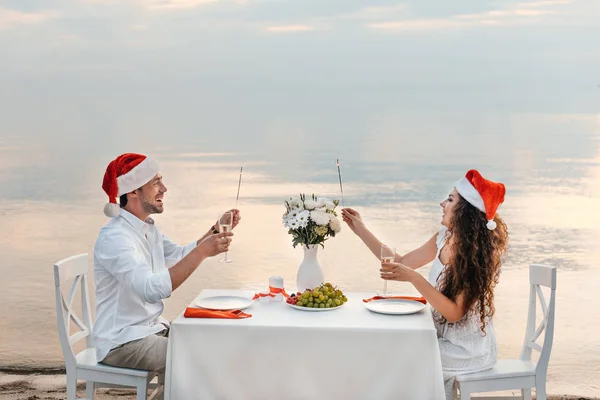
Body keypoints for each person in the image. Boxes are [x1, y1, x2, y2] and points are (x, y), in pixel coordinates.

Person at [341, 169, 508, 400]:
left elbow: (454, 313)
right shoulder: (444, 237)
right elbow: (399, 262)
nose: (442, 203)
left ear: (465, 211)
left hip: (468, 351)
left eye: (450, 199)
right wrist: (360, 229)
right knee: (387, 353)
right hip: (440, 338)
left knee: (395, 364)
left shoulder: (476, 254)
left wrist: (414, 278)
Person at [93, 152, 241, 374]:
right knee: (204, 357)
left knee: (216, 338)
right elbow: (152, 290)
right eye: (156, 182)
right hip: (121, 342)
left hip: (150, 330)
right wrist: (202, 251)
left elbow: (178, 255)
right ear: (133, 190)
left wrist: (215, 231)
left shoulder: (147, 228)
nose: (164, 188)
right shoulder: (115, 238)